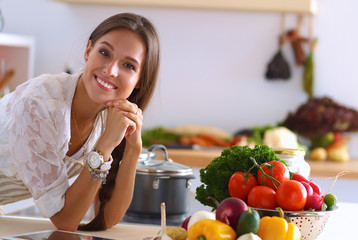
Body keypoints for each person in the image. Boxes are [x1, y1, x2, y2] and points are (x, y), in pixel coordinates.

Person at [0, 12, 160, 231]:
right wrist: (104, 146)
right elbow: (64, 221)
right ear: (88, 51)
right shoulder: (38, 105)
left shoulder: (110, 118)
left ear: (140, 80)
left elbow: (106, 218)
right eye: (105, 53)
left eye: (128, 65)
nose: (111, 70)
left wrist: (134, 148)